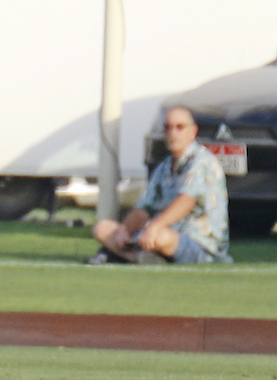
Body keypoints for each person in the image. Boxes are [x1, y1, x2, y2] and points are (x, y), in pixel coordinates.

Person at [87, 106, 232, 265]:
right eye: (168, 128)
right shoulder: (164, 167)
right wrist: (125, 231)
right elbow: (145, 208)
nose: (173, 133)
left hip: (200, 244)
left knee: (162, 237)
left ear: (193, 131)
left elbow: (186, 202)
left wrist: (154, 227)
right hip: (157, 234)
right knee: (102, 228)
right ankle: (146, 257)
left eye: (179, 127)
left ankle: (130, 256)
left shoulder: (203, 162)